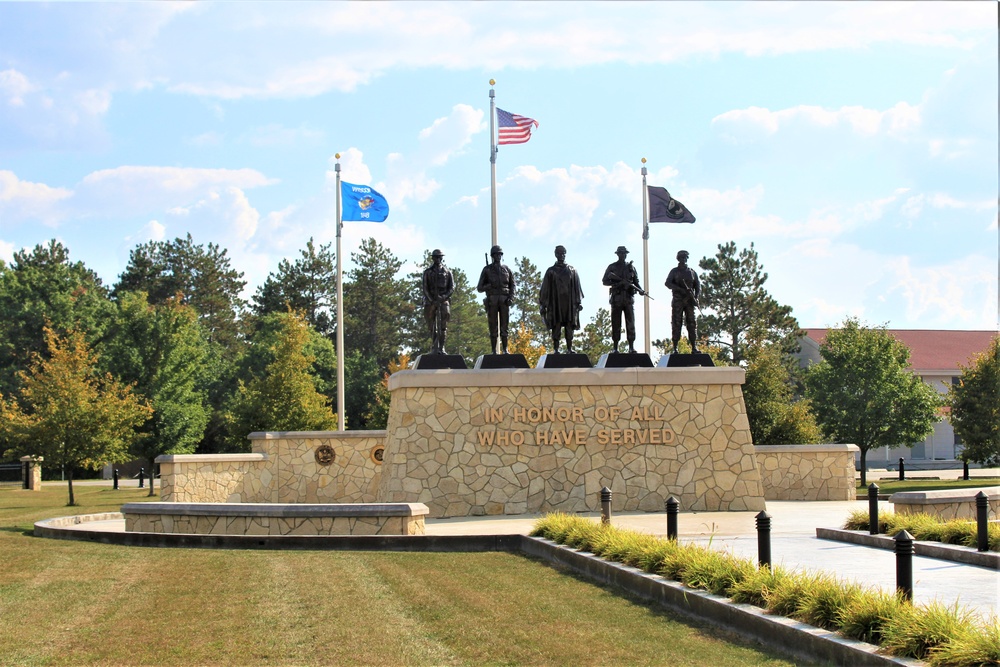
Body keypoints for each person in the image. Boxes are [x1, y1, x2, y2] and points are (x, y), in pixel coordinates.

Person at [539, 245, 584, 354]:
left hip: (569, 303)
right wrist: (542, 304)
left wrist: (578, 302)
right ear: (556, 255)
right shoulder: (551, 271)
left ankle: (569, 348)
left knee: (569, 326)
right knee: (556, 325)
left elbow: (577, 287)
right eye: (559, 253)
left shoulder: (572, 270)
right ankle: (556, 349)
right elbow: (545, 289)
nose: (561, 255)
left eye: (563, 253)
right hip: (556, 303)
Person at [602, 245, 645, 353]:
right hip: (617, 298)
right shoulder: (612, 267)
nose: (623, 255)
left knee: (630, 323)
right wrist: (618, 283)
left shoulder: (631, 267)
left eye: (624, 253)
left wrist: (641, 290)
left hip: (628, 298)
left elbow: (635, 282)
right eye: (621, 253)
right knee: (616, 323)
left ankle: (631, 347)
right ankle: (615, 347)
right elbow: (605, 281)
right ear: (618, 254)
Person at [477, 245, 516, 354]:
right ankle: (494, 350)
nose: (498, 256)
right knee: (493, 326)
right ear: (492, 256)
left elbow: (513, 285)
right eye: (496, 254)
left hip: (504, 299)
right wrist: (488, 286)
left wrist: (511, 298)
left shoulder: (507, 269)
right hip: (492, 299)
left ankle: (505, 349)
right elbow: (479, 287)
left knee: (505, 327)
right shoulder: (487, 270)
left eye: (500, 254)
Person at [663, 250, 700, 353]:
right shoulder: (674, 271)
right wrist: (679, 289)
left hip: (689, 302)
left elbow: (697, 286)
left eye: (684, 257)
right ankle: (675, 347)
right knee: (676, 323)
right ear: (678, 259)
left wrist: (696, 297)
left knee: (692, 324)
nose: (683, 259)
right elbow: (667, 283)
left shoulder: (692, 272)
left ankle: (694, 347)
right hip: (678, 301)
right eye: (681, 257)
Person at [422, 249, 455, 355]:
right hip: (431, 301)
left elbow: (452, 287)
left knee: (443, 325)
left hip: (443, 300)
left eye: (439, 257)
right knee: (431, 325)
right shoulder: (428, 272)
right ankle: (434, 347)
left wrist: (444, 297)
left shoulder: (447, 272)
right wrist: (431, 300)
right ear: (432, 258)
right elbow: (425, 288)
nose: (438, 259)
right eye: (436, 257)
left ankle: (442, 347)